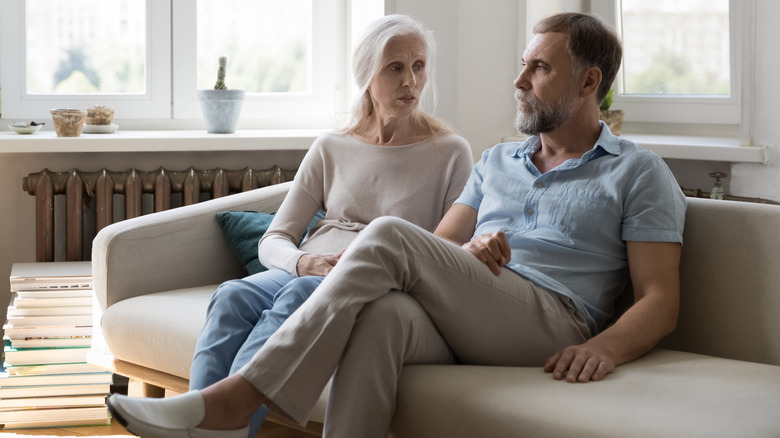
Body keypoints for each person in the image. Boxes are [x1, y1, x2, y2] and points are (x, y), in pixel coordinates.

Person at [107, 12, 687, 438]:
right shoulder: (496, 161)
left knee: (384, 232)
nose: (519, 81)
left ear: (589, 82)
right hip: (484, 308)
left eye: (539, 68)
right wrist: (469, 258)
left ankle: (235, 404)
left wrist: (606, 348)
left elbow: (660, 299)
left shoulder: (637, 171)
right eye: (522, 65)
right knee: (381, 316)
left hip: (556, 319)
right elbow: (433, 251)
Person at [182, 13, 473, 438]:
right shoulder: (331, 147)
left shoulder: (450, 152)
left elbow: (447, 254)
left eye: (419, 66)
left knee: (300, 294)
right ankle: (194, 422)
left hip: (373, 281)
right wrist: (306, 263)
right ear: (366, 76)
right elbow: (274, 239)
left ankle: (223, 424)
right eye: (395, 68)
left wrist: (320, 275)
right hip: (312, 270)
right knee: (231, 294)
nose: (410, 81)